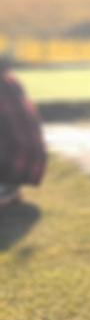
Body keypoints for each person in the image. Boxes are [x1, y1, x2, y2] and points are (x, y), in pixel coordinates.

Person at [0, 55, 47, 207]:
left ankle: (5, 187)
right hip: (24, 160)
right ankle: (7, 187)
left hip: (15, 161)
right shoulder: (6, 76)